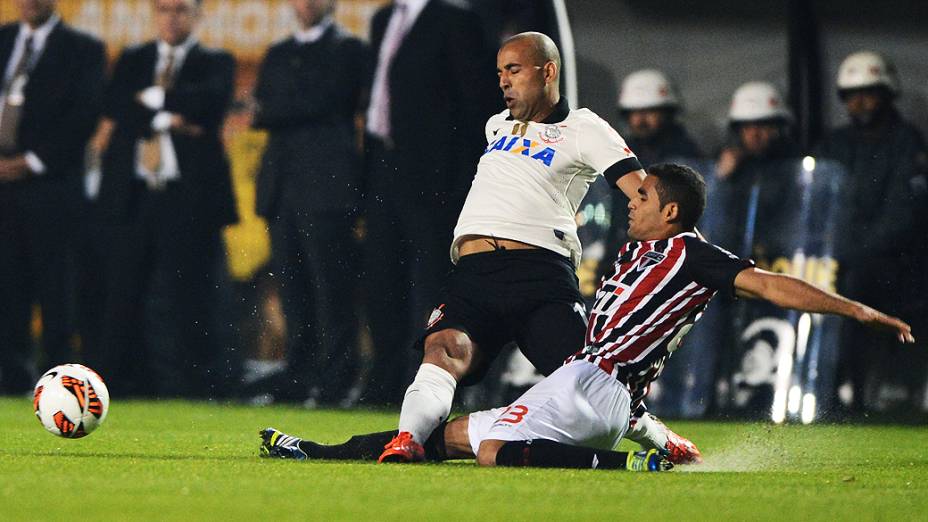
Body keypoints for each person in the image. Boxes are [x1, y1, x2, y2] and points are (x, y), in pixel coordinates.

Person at [258, 163, 914, 471]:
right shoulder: (641, 252)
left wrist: (854, 309)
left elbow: (774, 287)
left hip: (589, 391)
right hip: (600, 394)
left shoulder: (692, 255)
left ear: (674, 213)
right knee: (447, 439)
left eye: (645, 195)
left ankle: (629, 467)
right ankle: (314, 452)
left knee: (477, 448)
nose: (632, 200)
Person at [96, 0, 237, 397]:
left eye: (180, 9)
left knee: (190, 295)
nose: (171, 17)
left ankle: (194, 386)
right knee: (124, 292)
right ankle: (123, 383)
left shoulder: (216, 61)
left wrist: (151, 99)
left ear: (197, 14)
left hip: (188, 200)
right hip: (135, 196)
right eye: (163, 9)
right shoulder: (133, 58)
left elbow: (210, 101)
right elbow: (114, 104)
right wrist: (169, 115)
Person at [361, 0, 499, 404]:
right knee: (382, 281)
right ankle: (384, 383)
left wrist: (459, 184)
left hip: (435, 180)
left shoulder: (458, 21)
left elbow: (476, 106)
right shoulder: (384, 19)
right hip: (384, 169)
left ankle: (429, 383)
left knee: (430, 286)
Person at [249, 0, 369, 406]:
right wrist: (277, 108)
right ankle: (297, 377)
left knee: (331, 289)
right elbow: (263, 108)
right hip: (281, 188)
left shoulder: (349, 50)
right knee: (292, 290)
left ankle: (337, 380)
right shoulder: (278, 52)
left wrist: (274, 109)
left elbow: (326, 99)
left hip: (327, 188)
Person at [0, 0, 105, 393]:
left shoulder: (82, 50)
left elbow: (84, 114)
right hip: (2, 192)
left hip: (51, 189)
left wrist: (31, 161)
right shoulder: (3, 40)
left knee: (56, 293)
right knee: (6, 291)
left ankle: (62, 387)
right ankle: (10, 380)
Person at [815, 51, 928, 412]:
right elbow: (812, 198)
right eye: (851, 94)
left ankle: (855, 388)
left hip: (891, 264)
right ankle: (807, 384)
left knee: (856, 286)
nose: (859, 101)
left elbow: (903, 216)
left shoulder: (907, 143)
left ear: (887, 93)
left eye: (868, 92)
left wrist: (849, 254)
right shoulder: (834, 143)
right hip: (836, 259)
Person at [617, 69, 701, 167]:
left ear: (667, 114)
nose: (641, 120)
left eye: (650, 112)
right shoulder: (621, 154)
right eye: (635, 113)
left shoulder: (685, 156)